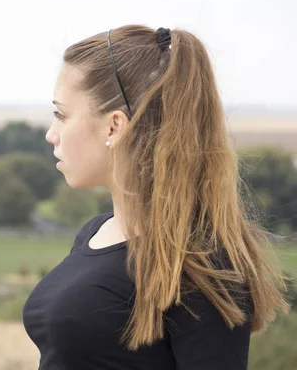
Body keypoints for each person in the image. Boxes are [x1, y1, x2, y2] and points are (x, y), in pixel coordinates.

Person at [22, 25, 290, 370]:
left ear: (114, 126)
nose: (51, 134)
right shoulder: (94, 233)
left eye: (62, 114)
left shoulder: (199, 263)